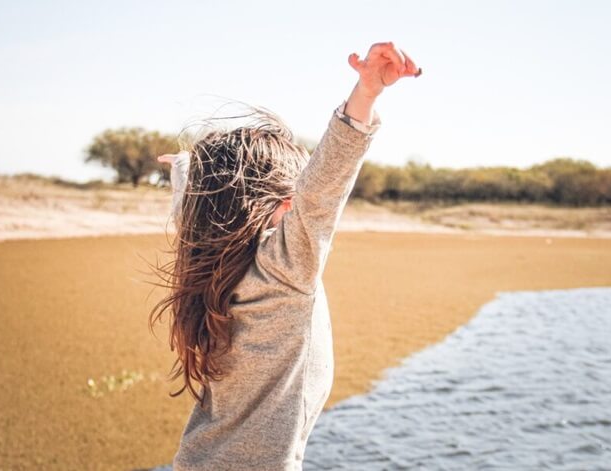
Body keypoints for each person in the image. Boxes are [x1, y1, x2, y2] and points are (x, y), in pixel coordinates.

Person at [150, 41, 421, 470]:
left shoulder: (208, 259)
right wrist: (364, 95)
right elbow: (321, 191)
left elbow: (195, 212)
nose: (298, 197)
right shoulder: (282, 270)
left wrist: (186, 170)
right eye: (292, 188)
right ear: (278, 199)